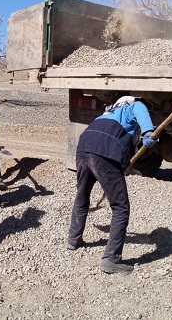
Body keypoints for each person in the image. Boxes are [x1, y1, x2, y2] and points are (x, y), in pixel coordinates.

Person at [66, 96, 158, 275]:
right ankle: (111, 260)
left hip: (83, 148)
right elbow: (139, 108)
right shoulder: (132, 106)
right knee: (120, 207)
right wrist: (148, 131)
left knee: (82, 196)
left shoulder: (107, 113)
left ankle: (73, 240)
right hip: (104, 152)